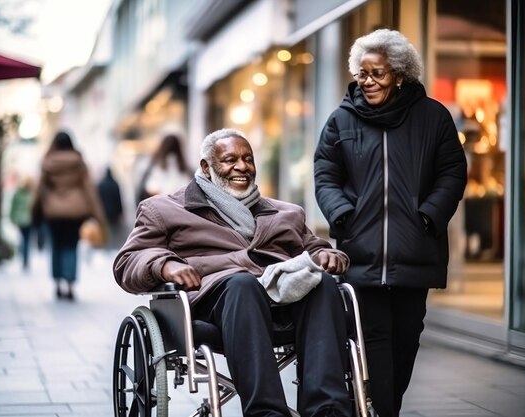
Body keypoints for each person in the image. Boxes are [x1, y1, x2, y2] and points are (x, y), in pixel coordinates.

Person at [115, 128, 353, 417]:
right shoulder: (163, 209)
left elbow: (313, 247)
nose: (242, 167)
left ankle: (327, 409)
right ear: (206, 167)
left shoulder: (286, 212)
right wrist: (165, 264)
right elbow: (128, 261)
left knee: (324, 284)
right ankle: (266, 413)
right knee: (242, 284)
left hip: (284, 299)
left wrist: (326, 255)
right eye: (230, 159)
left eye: (248, 159)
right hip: (216, 302)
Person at [313, 29, 468, 417]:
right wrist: (342, 214)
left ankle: (383, 407)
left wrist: (428, 216)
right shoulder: (341, 120)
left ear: (399, 74)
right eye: (362, 74)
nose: (367, 82)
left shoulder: (433, 117)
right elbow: (325, 173)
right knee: (373, 340)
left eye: (377, 74)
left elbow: (452, 172)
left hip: (415, 250)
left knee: (406, 341)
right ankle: (380, 411)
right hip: (360, 254)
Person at [33, 131, 107, 300]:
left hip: (53, 212)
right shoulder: (79, 163)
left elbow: (40, 189)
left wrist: (35, 211)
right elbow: (89, 189)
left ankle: (58, 283)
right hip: (75, 211)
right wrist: (98, 215)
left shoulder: (48, 162)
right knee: (71, 246)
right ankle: (70, 284)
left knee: (56, 246)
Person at [135, 132, 193, 204]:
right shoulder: (185, 169)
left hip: (159, 207)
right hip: (180, 209)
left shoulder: (154, 166)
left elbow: (150, 188)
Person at [9, 176, 35, 270]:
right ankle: (25, 259)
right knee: (27, 240)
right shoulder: (32, 193)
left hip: (21, 220)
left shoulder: (18, 192)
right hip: (29, 220)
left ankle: (23, 257)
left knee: (23, 239)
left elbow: (13, 206)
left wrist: (12, 217)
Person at [96, 167, 124, 249]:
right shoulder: (115, 184)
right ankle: (114, 248)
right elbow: (118, 199)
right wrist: (120, 211)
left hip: (104, 212)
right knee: (114, 232)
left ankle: (107, 247)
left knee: (106, 232)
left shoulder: (100, 184)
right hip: (114, 212)